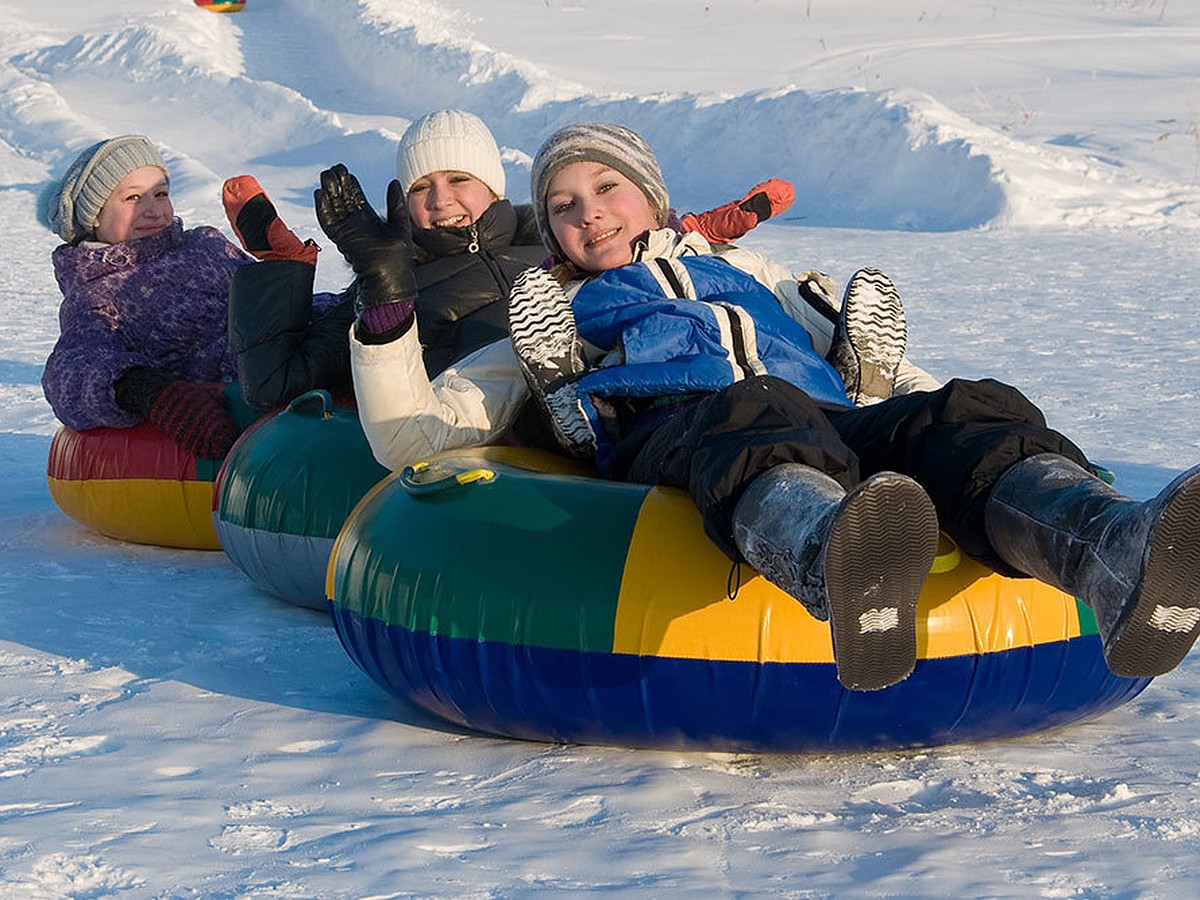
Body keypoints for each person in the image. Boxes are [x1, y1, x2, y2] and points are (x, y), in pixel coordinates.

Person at [332, 121, 1200, 695]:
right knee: (755, 411)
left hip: (819, 413)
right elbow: (411, 436)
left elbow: (908, 396)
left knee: (968, 410)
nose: (588, 217)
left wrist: (908, 395)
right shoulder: (549, 309)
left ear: (653, 197)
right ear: (549, 230)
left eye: (607, 190)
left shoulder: (753, 275)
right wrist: (383, 305)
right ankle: (834, 562)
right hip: (683, 425)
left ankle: (1108, 549)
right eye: (563, 206)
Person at [225, 108, 816, 414]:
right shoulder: (389, 276)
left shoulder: (556, 234)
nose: (441, 200)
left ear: (493, 184)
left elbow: (633, 250)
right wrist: (285, 266)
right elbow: (273, 383)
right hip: (480, 426)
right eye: (420, 187)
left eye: (459, 178)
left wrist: (689, 229)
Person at [41, 134, 249, 458]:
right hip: (250, 383)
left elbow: (272, 301)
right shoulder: (97, 293)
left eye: (161, 194)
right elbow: (69, 372)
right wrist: (152, 392)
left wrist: (285, 263)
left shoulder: (205, 243)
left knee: (340, 316)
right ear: (94, 215)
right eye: (133, 198)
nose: (153, 210)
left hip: (293, 342)